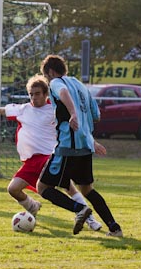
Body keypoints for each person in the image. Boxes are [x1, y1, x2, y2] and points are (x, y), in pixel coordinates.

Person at [0, 75, 102, 231]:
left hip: (51, 156)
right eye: (31, 94)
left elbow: (77, 125)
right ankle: (32, 207)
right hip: (32, 161)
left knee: (68, 187)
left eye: (37, 93)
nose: (34, 97)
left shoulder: (54, 109)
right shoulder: (24, 109)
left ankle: (90, 219)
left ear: (46, 94)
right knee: (13, 189)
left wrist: (91, 141)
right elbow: (5, 110)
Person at [37, 55, 122, 236]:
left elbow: (63, 93)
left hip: (67, 147)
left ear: (50, 72)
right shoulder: (80, 85)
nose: (47, 79)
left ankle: (79, 209)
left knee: (43, 188)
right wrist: (87, 134)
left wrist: (73, 114)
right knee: (87, 189)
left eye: (45, 76)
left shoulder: (56, 82)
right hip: (85, 147)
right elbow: (96, 115)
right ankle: (114, 228)